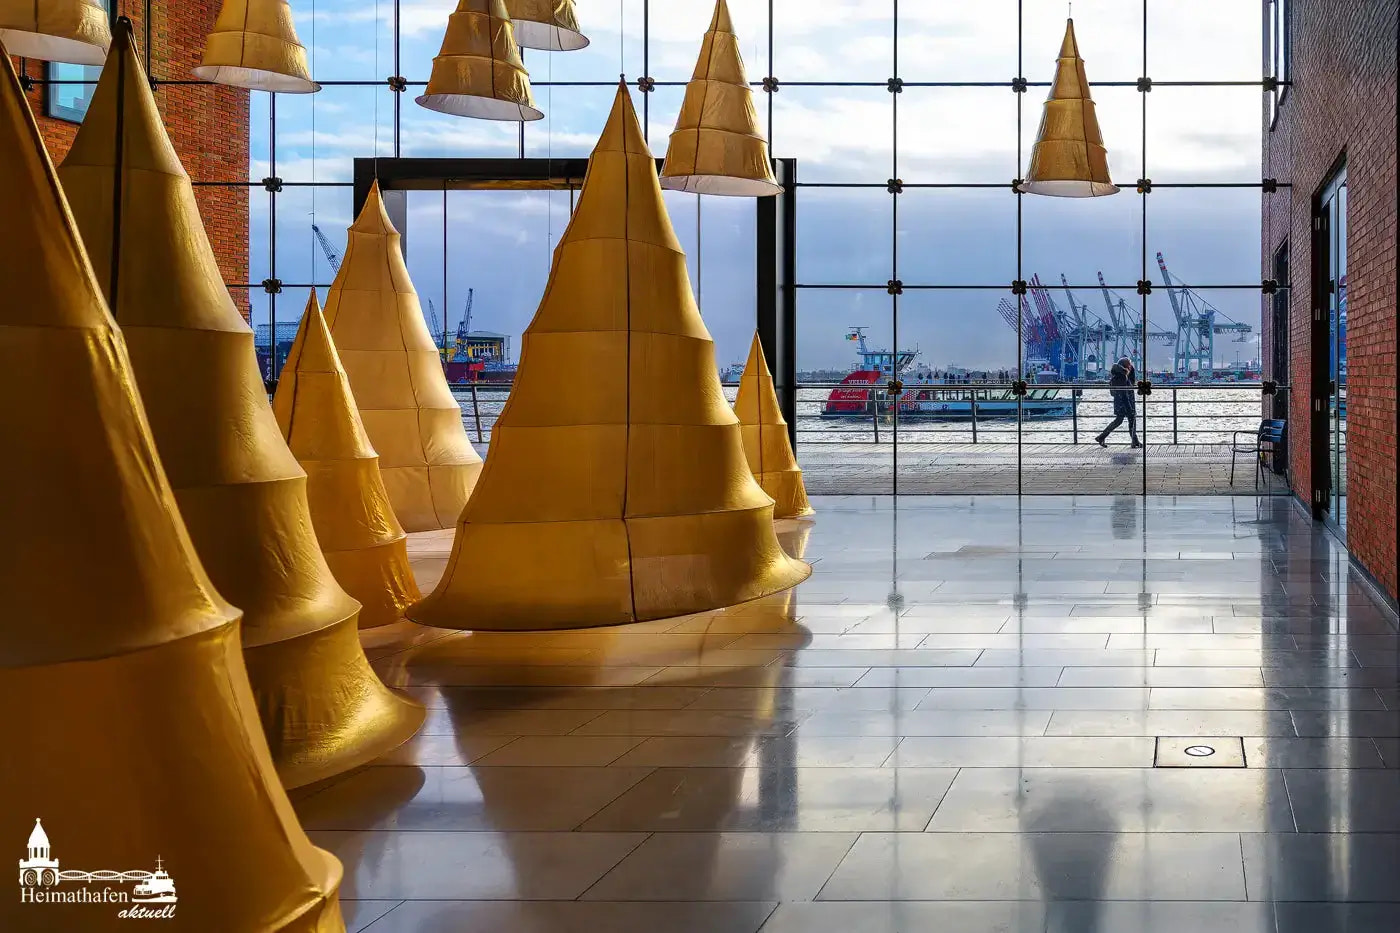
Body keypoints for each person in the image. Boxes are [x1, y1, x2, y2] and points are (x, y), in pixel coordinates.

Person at [1096, 356, 1141, 448]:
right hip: (1126, 403)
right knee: (1131, 420)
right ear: (1125, 366)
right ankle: (1134, 441)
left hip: (1119, 402)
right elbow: (1125, 391)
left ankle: (1102, 437)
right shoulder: (1122, 376)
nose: (1130, 366)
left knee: (1119, 420)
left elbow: (1129, 385)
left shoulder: (1117, 375)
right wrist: (1128, 407)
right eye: (1129, 365)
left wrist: (1131, 373)